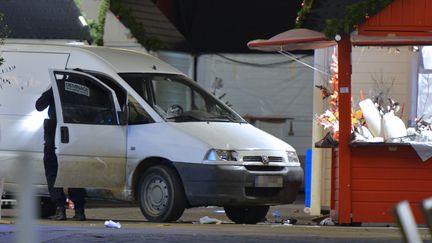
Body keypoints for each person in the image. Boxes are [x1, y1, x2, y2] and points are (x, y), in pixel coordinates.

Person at [35, 87, 87, 221]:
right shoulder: (86, 89)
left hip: (55, 136)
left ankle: (60, 210)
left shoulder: (58, 86)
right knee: (76, 173)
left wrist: (52, 90)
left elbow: (39, 105)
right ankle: (79, 211)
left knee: (53, 173)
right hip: (77, 137)